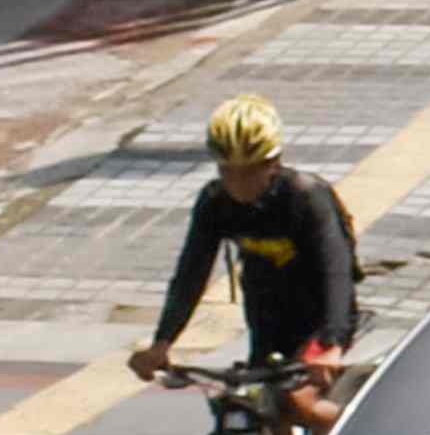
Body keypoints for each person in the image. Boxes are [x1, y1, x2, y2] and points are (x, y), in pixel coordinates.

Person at [135, 93, 360, 399]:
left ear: (273, 163)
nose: (239, 184)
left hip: (321, 319)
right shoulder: (215, 202)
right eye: (228, 171)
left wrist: (331, 345)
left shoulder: (306, 197)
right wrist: (162, 342)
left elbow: (337, 271)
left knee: (299, 402)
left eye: (250, 171)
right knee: (248, 403)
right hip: (265, 316)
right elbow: (191, 273)